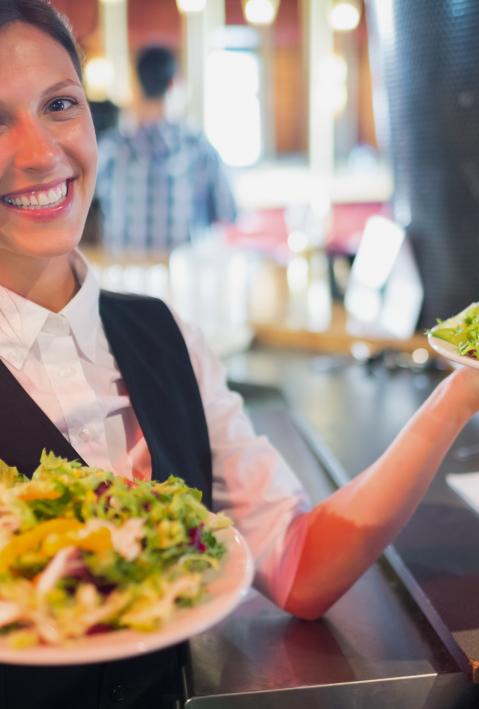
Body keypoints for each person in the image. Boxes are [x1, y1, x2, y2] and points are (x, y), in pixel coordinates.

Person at [0, 2, 479, 707]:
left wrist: (460, 390)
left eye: (60, 105)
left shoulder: (166, 338)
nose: (40, 152)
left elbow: (299, 566)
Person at [95, 44, 238, 253]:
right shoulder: (199, 148)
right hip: (184, 279)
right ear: (174, 84)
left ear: (137, 86)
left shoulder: (109, 149)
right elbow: (228, 213)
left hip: (124, 277)